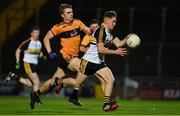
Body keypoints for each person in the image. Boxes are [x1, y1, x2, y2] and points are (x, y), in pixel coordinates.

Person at [54, 11, 128, 111]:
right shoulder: (100, 31)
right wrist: (116, 52)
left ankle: (106, 104)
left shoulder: (109, 32)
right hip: (88, 62)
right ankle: (58, 82)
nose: (115, 23)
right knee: (77, 83)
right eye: (113, 21)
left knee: (110, 79)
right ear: (107, 20)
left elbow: (119, 43)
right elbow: (101, 49)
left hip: (99, 63)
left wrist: (128, 38)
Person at [29, 4, 92, 109]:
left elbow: (88, 31)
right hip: (66, 56)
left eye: (71, 12)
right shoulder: (58, 27)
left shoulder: (78, 22)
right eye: (68, 12)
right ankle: (71, 94)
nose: (71, 14)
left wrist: (93, 29)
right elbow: (46, 38)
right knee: (85, 69)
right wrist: (49, 52)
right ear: (62, 15)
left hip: (73, 57)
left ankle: (35, 94)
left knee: (54, 81)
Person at [5, 26, 44, 104]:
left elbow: (39, 52)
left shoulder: (39, 43)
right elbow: (17, 51)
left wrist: (41, 54)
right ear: (31, 34)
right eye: (35, 32)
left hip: (34, 65)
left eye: (38, 33)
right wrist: (17, 62)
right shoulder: (27, 42)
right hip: (28, 63)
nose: (37, 34)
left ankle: (13, 76)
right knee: (37, 82)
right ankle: (36, 99)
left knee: (29, 84)